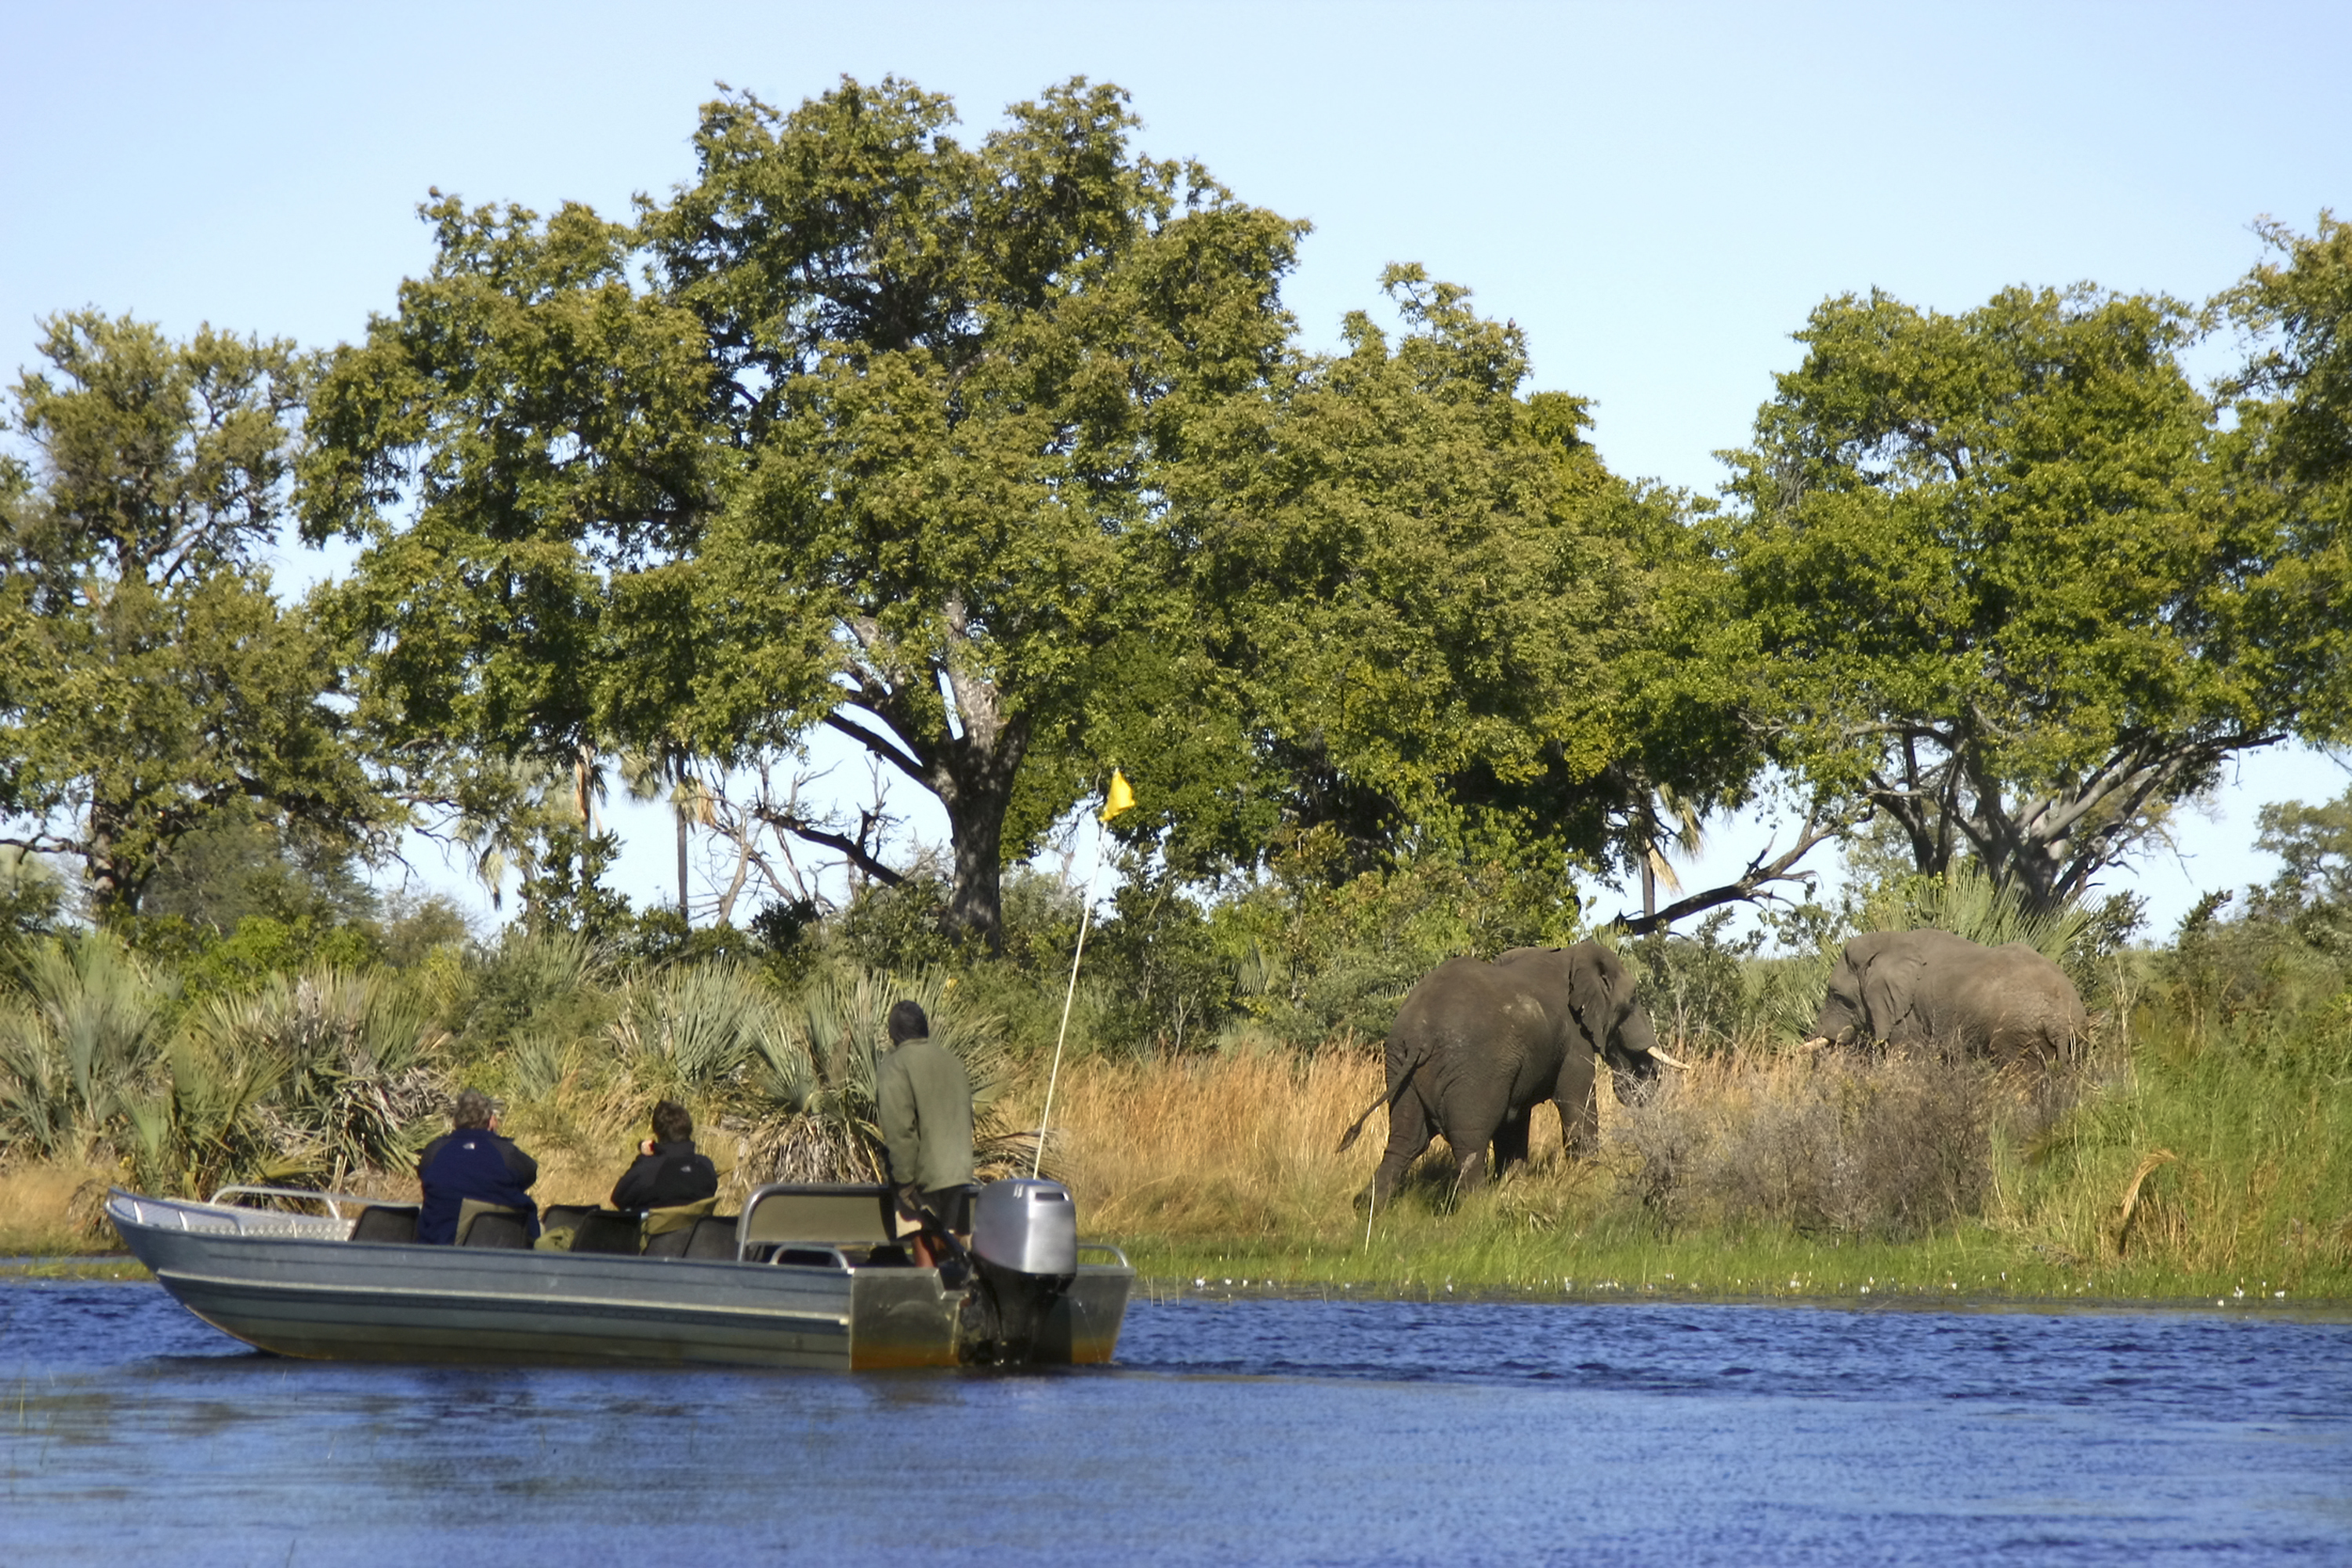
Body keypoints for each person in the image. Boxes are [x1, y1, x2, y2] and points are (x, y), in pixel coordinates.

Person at [874, 1000, 974, 1268]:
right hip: (959, 1171)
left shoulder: (895, 1067)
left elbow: (899, 1131)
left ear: (893, 1034)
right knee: (953, 1252)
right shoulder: (952, 1061)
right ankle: (960, 1304)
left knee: (921, 1237)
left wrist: (905, 1183)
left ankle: (927, 1305)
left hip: (922, 1177)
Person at [416, 1088, 540, 1245]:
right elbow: (530, 1174)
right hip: (502, 1253)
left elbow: (424, 1174)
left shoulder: (434, 1152)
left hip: (439, 1252)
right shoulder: (507, 1154)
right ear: (491, 1122)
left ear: (455, 1123)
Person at [610, 1098, 720, 1213]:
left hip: (657, 1230)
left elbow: (619, 1197)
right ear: (689, 1129)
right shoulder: (706, 1166)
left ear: (657, 1131)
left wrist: (644, 1159)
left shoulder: (649, 1169)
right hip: (697, 1229)